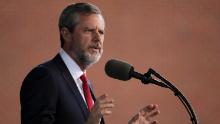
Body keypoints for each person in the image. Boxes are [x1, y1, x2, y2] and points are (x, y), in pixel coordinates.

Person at [20, 2, 160, 124]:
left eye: (101, 32)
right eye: (88, 30)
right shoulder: (45, 77)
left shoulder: (84, 83)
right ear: (66, 34)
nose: (98, 39)